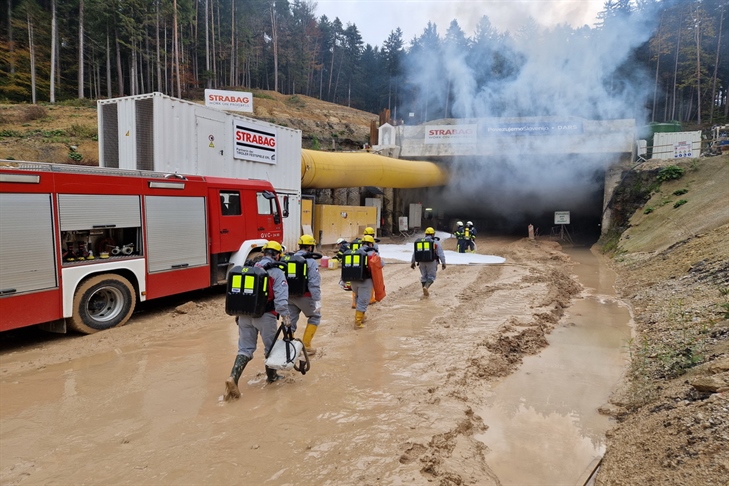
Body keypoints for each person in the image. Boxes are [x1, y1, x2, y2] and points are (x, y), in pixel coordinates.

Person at [224, 240, 291, 401]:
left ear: (263, 253)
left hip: (245, 316)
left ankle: (233, 377)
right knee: (271, 348)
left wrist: (239, 315)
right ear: (277, 255)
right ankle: (272, 377)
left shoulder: (252, 268)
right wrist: (287, 318)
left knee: (245, 349)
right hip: (265, 316)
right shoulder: (277, 272)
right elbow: (281, 301)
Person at [287, 234, 322, 355]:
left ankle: (289, 347)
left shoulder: (289, 259)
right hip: (306, 296)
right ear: (310, 247)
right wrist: (317, 300)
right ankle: (306, 346)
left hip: (289, 297)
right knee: (315, 317)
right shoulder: (311, 261)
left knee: (290, 322)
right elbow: (313, 283)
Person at [351, 234, 379, 328]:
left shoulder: (355, 251)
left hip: (353, 280)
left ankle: (362, 317)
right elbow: (381, 263)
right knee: (363, 301)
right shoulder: (372, 253)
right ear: (371, 244)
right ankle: (357, 323)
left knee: (359, 298)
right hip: (365, 281)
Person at [411, 227, 446, 296]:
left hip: (421, 262)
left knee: (424, 276)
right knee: (431, 277)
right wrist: (443, 263)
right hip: (432, 261)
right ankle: (426, 287)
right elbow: (440, 254)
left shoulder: (420, 242)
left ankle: (424, 292)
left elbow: (415, 253)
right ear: (433, 234)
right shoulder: (435, 242)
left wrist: (413, 262)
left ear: (425, 234)